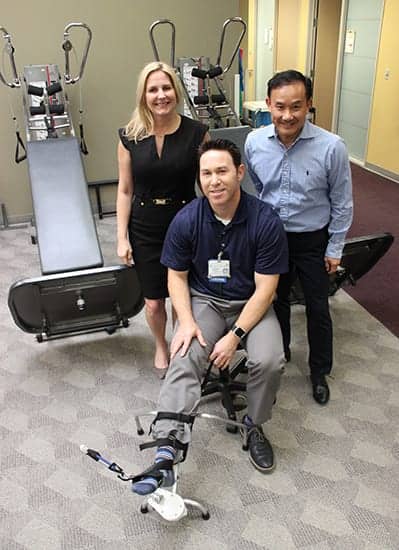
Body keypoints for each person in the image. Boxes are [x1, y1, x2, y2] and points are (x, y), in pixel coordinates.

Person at [130, 138, 289, 496]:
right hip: (207, 301)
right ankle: (166, 449)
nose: (214, 180)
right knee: (184, 355)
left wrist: (234, 335)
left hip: (251, 304)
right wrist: (185, 321)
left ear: (239, 173)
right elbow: (177, 276)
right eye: (206, 173)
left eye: (222, 171)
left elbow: (266, 290)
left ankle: (254, 424)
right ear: (199, 178)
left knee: (270, 360)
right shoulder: (187, 219)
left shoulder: (265, 220)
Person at [245, 69, 353, 406]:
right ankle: (281, 353)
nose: (287, 115)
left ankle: (319, 371)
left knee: (318, 308)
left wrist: (335, 247)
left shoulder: (331, 147)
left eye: (296, 106)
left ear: (308, 104)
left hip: (312, 240)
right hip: (272, 238)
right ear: (268, 105)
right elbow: (258, 188)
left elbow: (342, 201)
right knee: (272, 303)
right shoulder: (254, 142)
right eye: (279, 107)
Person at [117, 62, 209, 377]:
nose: (161, 95)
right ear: (143, 94)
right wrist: (121, 237)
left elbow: (207, 183)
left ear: (176, 91)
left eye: (166, 88)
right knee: (155, 302)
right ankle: (160, 343)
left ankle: (183, 340)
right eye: (153, 89)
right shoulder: (129, 135)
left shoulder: (197, 132)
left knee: (183, 295)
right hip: (144, 226)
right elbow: (125, 190)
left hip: (186, 222)